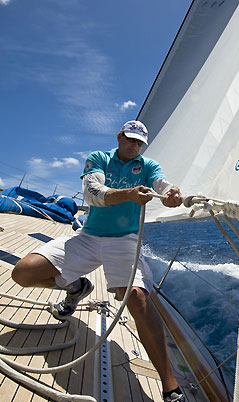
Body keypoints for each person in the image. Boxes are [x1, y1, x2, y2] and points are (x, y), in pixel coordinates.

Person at [12, 120, 185, 402]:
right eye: (130, 139)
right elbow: (92, 193)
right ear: (119, 137)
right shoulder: (99, 159)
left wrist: (171, 192)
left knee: (137, 298)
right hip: (89, 237)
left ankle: (171, 389)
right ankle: (76, 287)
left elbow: (161, 183)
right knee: (23, 273)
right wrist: (128, 194)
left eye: (139, 143)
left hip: (125, 241)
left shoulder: (148, 166)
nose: (134, 146)